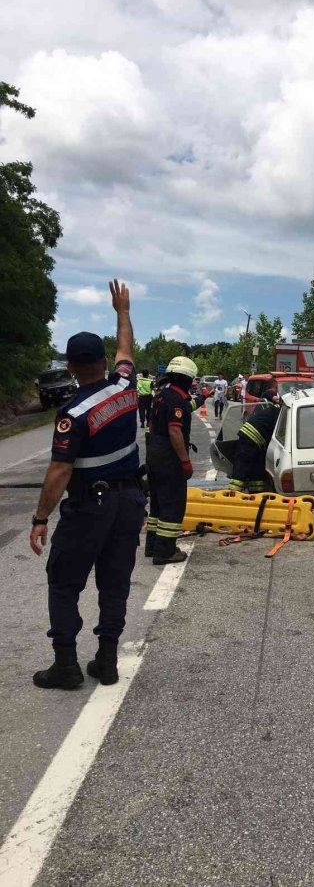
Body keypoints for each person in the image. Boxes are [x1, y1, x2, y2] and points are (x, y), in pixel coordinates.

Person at [29, 279, 145, 690]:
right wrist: (123, 312)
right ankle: (107, 661)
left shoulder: (73, 411)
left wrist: (40, 517)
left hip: (89, 508)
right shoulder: (125, 385)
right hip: (129, 501)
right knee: (115, 583)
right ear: (102, 360)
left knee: (64, 583)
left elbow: (60, 471)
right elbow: (126, 350)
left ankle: (65, 666)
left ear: (71, 366)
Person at [145, 356, 203, 565]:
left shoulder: (162, 396)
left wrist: (202, 399)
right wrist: (185, 461)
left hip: (154, 454)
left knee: (158, 504)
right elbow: (175, 432)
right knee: (173, 505)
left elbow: (153, 424)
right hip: (169, 459)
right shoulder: (176, 400)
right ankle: (165, 551)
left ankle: (152, 546)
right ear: (186, 379)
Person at [229, 383, 281, 493]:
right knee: (242, 465)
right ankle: (233, 493)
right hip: (250, 436)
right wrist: (275, 397)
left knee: (256, 467)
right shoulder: (281, 412)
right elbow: (268, 393)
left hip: (257, 439)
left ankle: (255, 493)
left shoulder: (279, 410)